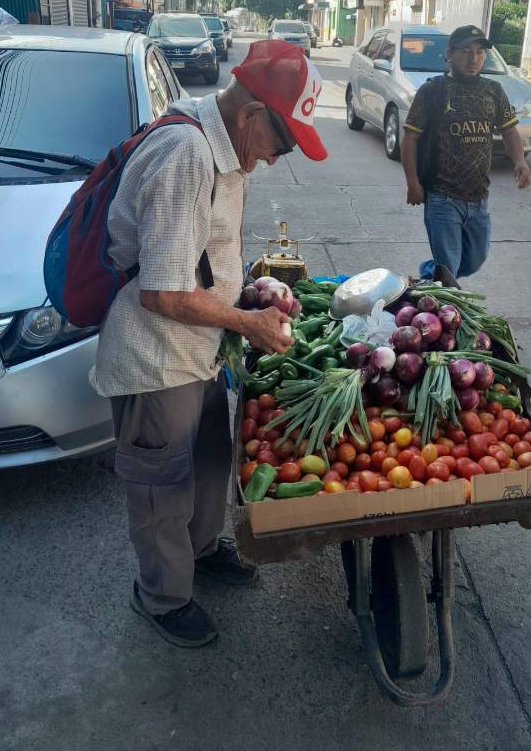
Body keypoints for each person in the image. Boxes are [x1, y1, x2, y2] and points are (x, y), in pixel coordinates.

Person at [90, 40, 328, 648]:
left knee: (208, 461)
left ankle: (198, 551)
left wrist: (247, 295)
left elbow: (204, 255)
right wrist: (248, 324)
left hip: (197, 348)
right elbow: (163, 294)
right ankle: (162, 597)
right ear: (251, 114)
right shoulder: (185, 156)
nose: (276, 160)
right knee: (161, 483)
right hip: (155, 354)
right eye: (281, 143)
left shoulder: (225, 147)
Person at [401, 25, 531, 280]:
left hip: (479, 199)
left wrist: (520, 161)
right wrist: (413, 183)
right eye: (465, 51)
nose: (474, 59)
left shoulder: (493, 90)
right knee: (450, 267)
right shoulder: (432, 90)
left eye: (480, 52)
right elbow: (410, 138)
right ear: (449, 54)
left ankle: (430, 275)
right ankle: (441, 298)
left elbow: (509, 130)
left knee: (473, 261)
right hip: (442, 198)